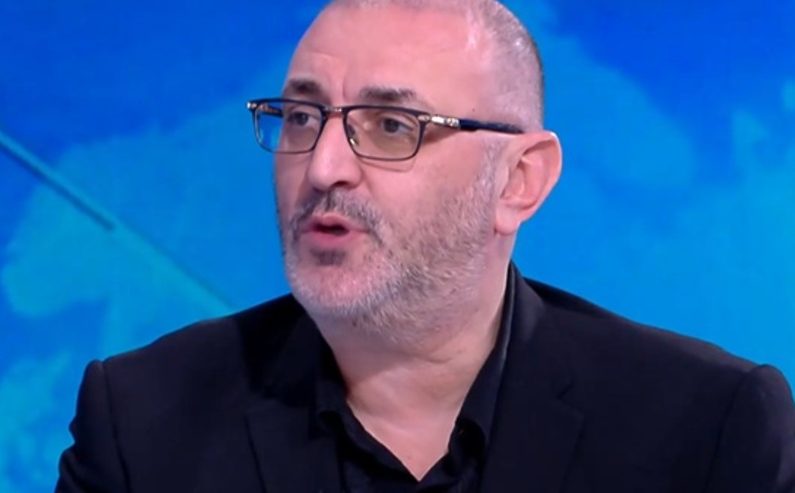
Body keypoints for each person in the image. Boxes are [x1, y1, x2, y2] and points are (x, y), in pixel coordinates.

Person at [56, 0, 795, 491]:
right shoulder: (142, 421)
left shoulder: (708, 430)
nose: (323, 167)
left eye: (391, 127)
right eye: (303, 117)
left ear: (519, 181)